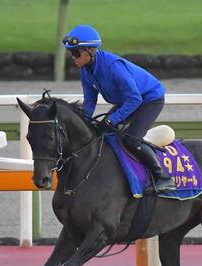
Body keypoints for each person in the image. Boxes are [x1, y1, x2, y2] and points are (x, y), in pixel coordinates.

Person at [62, 24, 176, 193]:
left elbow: (135, 99)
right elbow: (89, 102)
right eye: (71, 53)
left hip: (149, 100)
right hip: (128, 100)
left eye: (76, 52)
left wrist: (112, 119)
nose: (73, 57)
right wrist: (84, 122)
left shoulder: (114, 67)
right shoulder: (86, 71)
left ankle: (163, 178)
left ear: (90, 51)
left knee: (132, 140)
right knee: (101, 134)